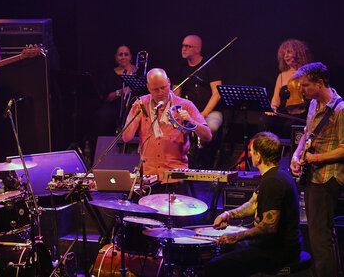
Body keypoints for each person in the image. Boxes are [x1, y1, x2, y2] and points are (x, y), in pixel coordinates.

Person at [205, 132, 301, 277]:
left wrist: (236, 236)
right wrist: (228, 214)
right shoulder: (276, 173)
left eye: (251, 151)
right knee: (223, 251)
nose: (249, 154)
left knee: (214, 266)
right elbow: (253, 204)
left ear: (259, 156)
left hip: (279, 251)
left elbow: (269, 227)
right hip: (273, 246)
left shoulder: (273, 182)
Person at [290, 62, 344, 277]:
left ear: (320, 83)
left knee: (320, 238)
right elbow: (307, 132)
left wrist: (316, 157)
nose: (301, 91)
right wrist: (296, 154)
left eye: (305, 85)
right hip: (313, 176)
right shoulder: (313, 104)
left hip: (327, 178)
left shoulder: (340, 110)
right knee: (320, 234)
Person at [122, 68, 212, 184]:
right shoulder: (140, 104)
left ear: (168, 82)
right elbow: (126, 138)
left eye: (163, 88)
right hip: (149, 177)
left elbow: (207, 136)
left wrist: (191, 121)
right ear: (149, 88)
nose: (160, 93)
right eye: (155, 89)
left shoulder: (185, 105)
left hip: (176, 176)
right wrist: (135, 117)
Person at [172, 35, 223, 138]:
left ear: (198, 49)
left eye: (188, 46)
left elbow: (217, 94)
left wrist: (203, 114)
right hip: (187, 114)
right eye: (183, 46)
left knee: (211, 127)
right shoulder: (180, 68)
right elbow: (175, 95)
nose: (184, 49)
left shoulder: (210, 66)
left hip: (209, 113)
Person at [262, 39, 313, 137]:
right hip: (285, 112)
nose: (285, 56)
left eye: (289, 52)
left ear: (299, 53)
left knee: (289, 126)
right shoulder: (282, 75)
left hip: (303, 113)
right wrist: (273, 108)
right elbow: (276, 98)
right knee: (266, 120)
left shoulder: (309, 72)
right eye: (284, 53)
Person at [95, 45, 137, 136]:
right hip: (115, 107)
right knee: (103, 115)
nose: (123, 57)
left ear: (130, 57)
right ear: (116, 57)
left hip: (134, 106)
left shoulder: (138, 72)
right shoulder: (109, 75)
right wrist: (121, 91)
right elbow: (106, 98)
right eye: (120, 55)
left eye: (126, 54)